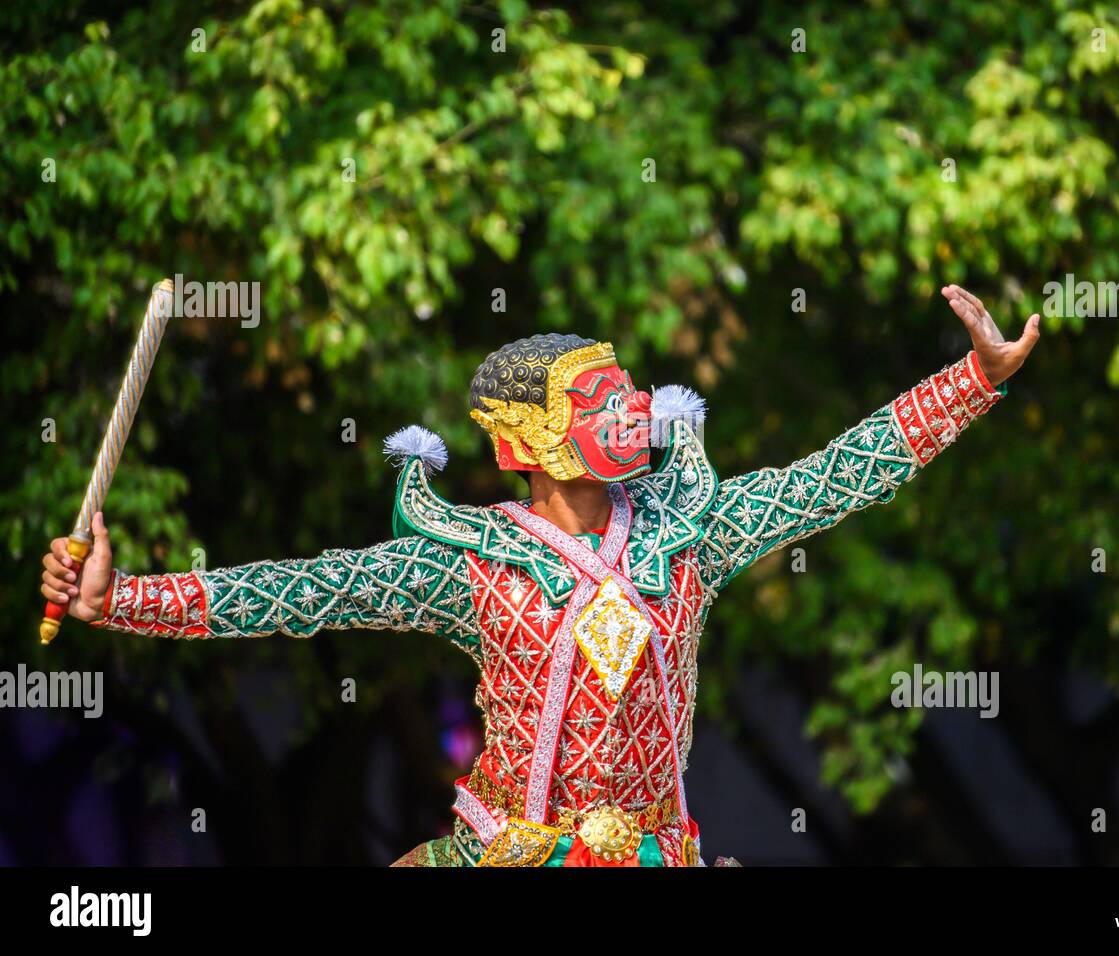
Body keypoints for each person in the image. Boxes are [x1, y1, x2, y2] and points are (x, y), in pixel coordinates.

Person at [40, 285, 1039, 866]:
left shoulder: (692, 531)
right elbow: (309, 588)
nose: (631, 410)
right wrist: (119, 599)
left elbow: (838, 475)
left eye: (626, 393)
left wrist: (974, 378)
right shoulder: (473, 563)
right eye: (600, 399)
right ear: (529, 439)